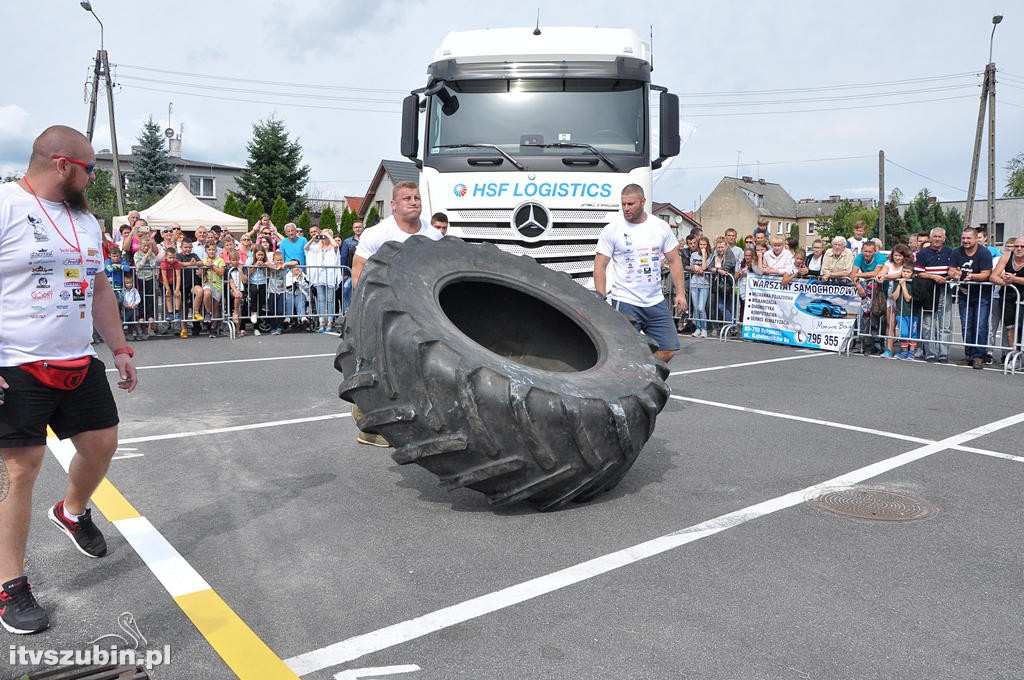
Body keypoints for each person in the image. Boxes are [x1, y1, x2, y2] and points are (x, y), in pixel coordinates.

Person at [0, 125, 138, 635]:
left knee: (102, 443)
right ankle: (10, 584)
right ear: (63, 164)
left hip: (77, 358)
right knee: (19, 472)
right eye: (91, 169)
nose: (93, 178)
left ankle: (72, 509)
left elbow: (98, 284)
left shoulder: (84, 218)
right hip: (16, 362)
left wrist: (119, 346)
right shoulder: (6, 205)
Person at [351, 182, 444, 446]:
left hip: (421, 311)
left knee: (419, 366)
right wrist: (365, 307)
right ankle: (367, 425)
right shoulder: (378, 233)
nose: (413, 202)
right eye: (406, 198)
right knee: (379, 367)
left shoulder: (433, 235)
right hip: (384, 308)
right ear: (393, 205)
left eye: (416, 198)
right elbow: (358, 270)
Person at [594, 183, 686, 359]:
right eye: (623, 204)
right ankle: (629, 380)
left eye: (631, 204)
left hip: (655, 300)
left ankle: (642, 374)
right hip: (625, 300)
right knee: (623, 354)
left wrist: (680, 293)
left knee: (667, 350)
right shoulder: (613, 229)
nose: (626, 208)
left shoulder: (660, 226)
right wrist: (601, 297)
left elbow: (674, 261)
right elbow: (600, 265)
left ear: (643, 202)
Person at [948, 227, 993, 370]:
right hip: (964, 294)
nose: (965, 241)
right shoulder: (957, 251)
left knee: (980, 325)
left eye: (969, 238)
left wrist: (973, 276)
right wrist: (955, 274)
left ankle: (979, 356)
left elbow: (986, 274)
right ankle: (968, 354)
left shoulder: (984, 253)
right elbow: (951, 270)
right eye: (963, 238)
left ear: (975, 239)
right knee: (966, 325)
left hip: (982, 295)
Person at [914, 227, 954, 363]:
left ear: (944, 238)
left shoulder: (950, 252)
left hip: (945, 289)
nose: (937, 239)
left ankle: (944, 353)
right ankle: (930, 352)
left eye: (940, 237)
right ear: (931, 238)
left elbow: (953, 270)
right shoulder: (922, 253)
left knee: (945, 324)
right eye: (935, 236)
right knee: (928, 323)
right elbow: (919, 272)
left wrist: (948, 277)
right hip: (929, 291)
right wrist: (934, 277)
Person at [990, 237, 1024, 363]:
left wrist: (1013, 280)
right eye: (1016, 246)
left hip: (1022, 297)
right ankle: (1015, 357)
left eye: (1022, 246)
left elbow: (1013, 280)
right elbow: (993, 276)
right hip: (1008, 296)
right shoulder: (1006, 256)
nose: (1019, 249)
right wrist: (1005, 282)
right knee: (1011, 328)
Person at [850, 240, 888, 354]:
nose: (867, 254)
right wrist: (858, 286)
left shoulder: (880, 257)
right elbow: (852, 273)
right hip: (867, 288)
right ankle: (867, 344)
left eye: (870, 252)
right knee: (866, 315)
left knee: (878, 315)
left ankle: (879, 342)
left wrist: (858, 275)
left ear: (875, 251)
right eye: (865, 251)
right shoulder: (859, 257)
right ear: (862, 251)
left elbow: (875, 273)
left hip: (881, 290)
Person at [306, 227, 342, 332]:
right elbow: (306, 247)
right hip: (319, 276)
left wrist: (329, 236)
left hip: (330, 276)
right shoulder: (317, 247)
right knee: (321, 300)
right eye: (323, 235)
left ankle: (330, 321)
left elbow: (336, 245)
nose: (324, 237)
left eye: (325, 236)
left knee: (330, 300)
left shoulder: (333, 247)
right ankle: (321, 323)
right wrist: (314, 238)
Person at [891, 261, 920, 360]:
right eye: (904, 271)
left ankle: (911, 351)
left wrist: (904, 286)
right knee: (903, 333)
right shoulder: (897, 281)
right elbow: (894, 297)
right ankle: (904, 351)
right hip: (901, 312)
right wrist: (899, 285)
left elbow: (908, 298)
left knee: (913, 333)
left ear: (912, 273)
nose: (905, 274)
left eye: (908, 272)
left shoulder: (913, 283)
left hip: (912, 313)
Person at [132, 237, 159, 339]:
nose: (146, 247)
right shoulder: (137, 254)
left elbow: (153, 265)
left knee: (150, 298)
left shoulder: (152, 254)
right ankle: (142, 316)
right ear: (140, 246)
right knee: (142, 297)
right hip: (140, 278)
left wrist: (149, 257)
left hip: (150, 277)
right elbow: (138, 266)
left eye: (148, 246)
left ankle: (150, 315)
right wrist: (145, 257)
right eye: (144, 245)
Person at [177, 239, 203, 338]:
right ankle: (183, 329)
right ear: (181, 247)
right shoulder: (179, 255)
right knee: (183, 307)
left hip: (193, 283)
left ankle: (196, 312)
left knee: (200, 291)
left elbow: (201, 263)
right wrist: (189, 264)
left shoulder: (194, 255)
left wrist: (196, 262)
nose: (188, 249)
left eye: (190, 247)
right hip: (181, 284)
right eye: (185, 247)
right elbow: (177, 263)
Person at [687, 235, 712, 338]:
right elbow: (691, 267)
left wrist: (704, 255)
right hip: (694, 283)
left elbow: (705, 267)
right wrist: (695, 267)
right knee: (696, 308)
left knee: (701, 308)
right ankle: (698, 328)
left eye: (704, 245)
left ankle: (704, 328)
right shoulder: (693, 255)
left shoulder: (710, 255)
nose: (702, 247)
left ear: (707, 245)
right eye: (701, 245)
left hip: (704, 284)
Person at [199, 242, 225, 339]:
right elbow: (200, 274)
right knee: (207, 293)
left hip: (217, 285)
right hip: (207, 284)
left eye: (213, 249)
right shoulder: (203, 260)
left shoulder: (220, 260)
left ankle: (213, 328)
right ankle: (207, 313)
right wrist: (205, 266)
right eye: (209, 249)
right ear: (206, 250)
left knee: (216, 307)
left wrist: (212, 265)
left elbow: (221, 272)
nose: (211, 251)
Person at [159, 245, 186, 338]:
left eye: (174, 257)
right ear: (166, 257)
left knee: (178, 295)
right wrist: (167, 289)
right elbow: (164, 277)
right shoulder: (163, 263)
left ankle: (177, 312)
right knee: (168, 296)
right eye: (170, 257)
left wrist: (177, 289)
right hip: (165, 283)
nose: (172, 259)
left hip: (174, 281)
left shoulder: (176, 263)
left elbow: (178, 276)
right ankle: (170, 313)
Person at [339, 221, 363, 312]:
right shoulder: (347, 242)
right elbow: (343, 257)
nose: (358, 229)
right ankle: (347, 310)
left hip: (365, 272)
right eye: (356, 227)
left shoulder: (367, 240)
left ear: (363, 228)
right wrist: (344, 273)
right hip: (351, 273)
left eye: (359, 227)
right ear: (353, 229)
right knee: (346, 288)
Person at [266, 251, 288, 335]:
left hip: (282, 291)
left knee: (280, 310)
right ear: (274, 260)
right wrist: (275, 267)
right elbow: (266, 263)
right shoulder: (272, 265)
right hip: (272, 292)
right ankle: (273, 327)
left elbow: (294, 262)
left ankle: (279, 327)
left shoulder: (284, 266)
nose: (279, 262)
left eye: (281, 260)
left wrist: (284, 265)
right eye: (277, 260)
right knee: (272, 311)